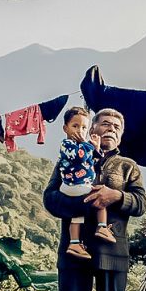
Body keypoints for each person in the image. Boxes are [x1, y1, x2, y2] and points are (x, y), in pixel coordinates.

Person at [43, 108, 146, 291]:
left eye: (116, 125)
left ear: (121, 133)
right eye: (105, 123)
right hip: (73, 251)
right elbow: (50, 199)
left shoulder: (128, 166)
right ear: (93, 128)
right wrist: (85, 201)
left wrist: (116, 196)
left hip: (113, 252)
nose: (110, 128)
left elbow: (141, 203)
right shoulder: (69, 157)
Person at [57, 107, 116, 259]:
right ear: (65, 128)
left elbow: (93, 158)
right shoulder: (67, 144)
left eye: (83, 127)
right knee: (100, 199)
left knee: (76, 216)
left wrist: (95, 147)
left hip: (77, 188)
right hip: (74, 185)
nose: (79, 130)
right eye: (75, 126)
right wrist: (87, 143)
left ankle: (74, 243)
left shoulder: (83, 145)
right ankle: (102, 227)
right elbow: (80, 156)